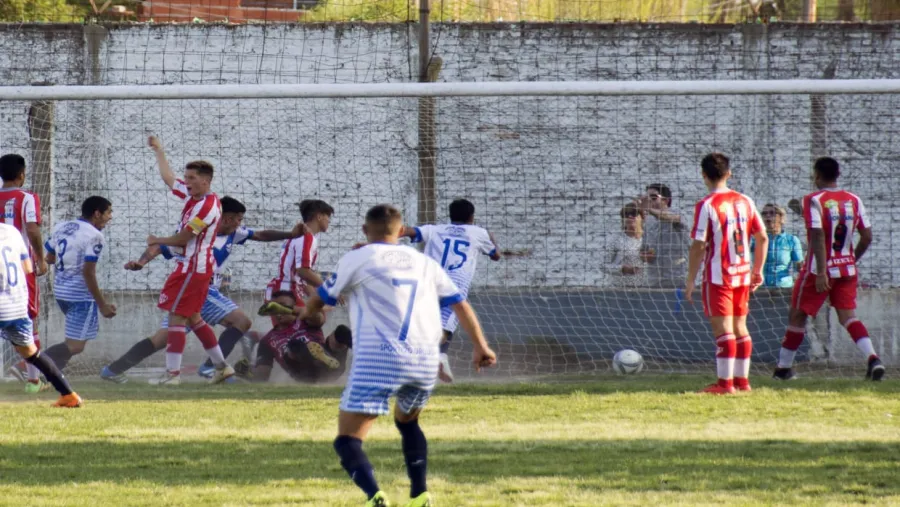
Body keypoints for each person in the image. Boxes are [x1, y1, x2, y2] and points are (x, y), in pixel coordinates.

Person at [306, 204, 496, 507]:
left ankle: (374, 496)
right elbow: (460, 304)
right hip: (423, 360)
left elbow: (318, 299)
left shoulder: (358, 257)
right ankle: (420, 493)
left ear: (365, 231)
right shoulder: (425, 263)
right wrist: (481, 346)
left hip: (377, 360)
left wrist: (309, 311)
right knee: (408, 424)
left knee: (348, 440)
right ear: (400, 230)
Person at [101, 196, 305, 383]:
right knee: (241, 321)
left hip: (201, 290)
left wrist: (290, 234)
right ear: (226, 218)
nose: (240, 224)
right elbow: (160, 247)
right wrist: (141, 262)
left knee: (162, 339)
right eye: (238, 219)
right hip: (198, 288)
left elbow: (260, 235)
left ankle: (113, 370)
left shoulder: (233, 234)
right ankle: (211, 368)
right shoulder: (196, 235)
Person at [774, 157, 883, 381]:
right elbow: (867, 236)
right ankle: (873, 358)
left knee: (797, 315)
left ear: (816, 175)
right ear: (838, 175)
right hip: (846, 270)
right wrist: (852, 259)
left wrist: (822, 271)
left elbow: (817, 234)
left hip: (817, 271)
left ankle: (783, 369)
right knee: (848, 316)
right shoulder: (853, 199)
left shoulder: (814, 199)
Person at [146, 135, 232, 385]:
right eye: (188, 177)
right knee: (194, 317)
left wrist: (157, 240)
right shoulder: (194, 195)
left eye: (192, 178)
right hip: (193, 267)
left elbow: (185, 238)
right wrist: (159, 151)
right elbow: (169, 179)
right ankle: (222, 367)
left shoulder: (206, 207)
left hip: (193, 268)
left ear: (205, 181)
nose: (187, 182)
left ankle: (172, 375)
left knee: (176, 316)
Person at [684, 153, 768, 394]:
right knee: (741, 327)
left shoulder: (707, 205)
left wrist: (690, 280)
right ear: (728, 173)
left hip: (719, 275)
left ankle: (724, 384)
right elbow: (762, 237)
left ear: (703, 175)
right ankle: (742, 382)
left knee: (723, 330)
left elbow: (699, 244)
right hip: (742, 273)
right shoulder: (745, 201)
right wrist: (757, 270)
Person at [399, 198, 500, 382]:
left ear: (451, 215)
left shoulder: (435, 229)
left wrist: (384, 235)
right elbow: (496, 255)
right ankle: (434, 357)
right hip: (454, 284)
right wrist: (492, 239)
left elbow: (408, 231)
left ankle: (434, 357)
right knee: (446, 324)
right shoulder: (478, 232)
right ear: (471, 217)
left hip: (427, 281)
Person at [0, 222, 82, 407]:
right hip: (17, 305)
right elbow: (28, 268)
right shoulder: (12, 232)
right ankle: (68, 395)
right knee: (31, 353)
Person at [42, 197, 117, 371]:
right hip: (80, 296)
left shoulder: (62, 226)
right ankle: (28, 365)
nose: (110, 217)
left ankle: (49, 377)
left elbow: (49, 257)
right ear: (97, 213)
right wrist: (102, 305)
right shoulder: (94, 236)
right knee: (76, 345)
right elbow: (88, 273)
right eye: (108, 212)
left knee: (72, 341)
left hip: (61, 292)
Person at [0, 154, 49, 391]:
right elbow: (32, 229)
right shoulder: (27, 198)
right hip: (18, 266)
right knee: (28, 318)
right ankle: (33, 380)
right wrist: (40, 258)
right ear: (22, 174)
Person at [243, 290, 352, 383]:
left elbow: (318, 318)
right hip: (305, 374)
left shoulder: (305, 319)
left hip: (333, 365)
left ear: (294, 307)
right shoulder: (267, 340)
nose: (278, 311)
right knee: (294, 345)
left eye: (282, 307)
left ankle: (365, 358)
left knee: (342, 331)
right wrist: (247, 372)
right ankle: (317, 359)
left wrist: (290, 310)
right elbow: (262, 376)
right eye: (275, 308)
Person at [637, 183, 689, 288]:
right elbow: (644, 248)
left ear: (666, 200)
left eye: (654, 197)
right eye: (647, 198)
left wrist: (648, 209)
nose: (649, 201)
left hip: (677, 279)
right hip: (654, 280)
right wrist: (643, 255)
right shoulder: (649, 221)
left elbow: (671, 217)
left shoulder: (679, 214)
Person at [752, 204, 803, 288]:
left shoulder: (791, 240)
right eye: (764, 213)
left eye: (772, 213)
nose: (768, 216)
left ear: (781, 218)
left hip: (783, 287)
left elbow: (799, 267)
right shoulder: (755, 239)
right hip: (759, 287)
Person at [606, 202, 647, 287]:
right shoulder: (616, 239)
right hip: (620, 289)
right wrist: (622, 269)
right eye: (626, 214)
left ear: (642, 217)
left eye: (634, 213)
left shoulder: (648, 239)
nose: (629, 216)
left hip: (645, 288)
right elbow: (602, 265)